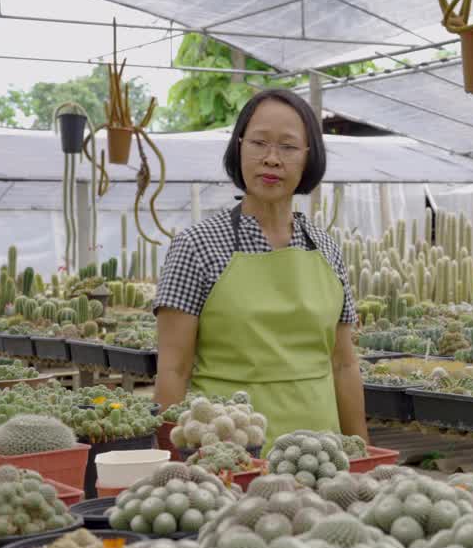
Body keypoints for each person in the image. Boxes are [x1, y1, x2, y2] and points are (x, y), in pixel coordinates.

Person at [152, 89, 368, 451]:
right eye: (259, 143)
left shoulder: (326, 248)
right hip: (228, 454)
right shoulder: (197, 245)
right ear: (239, 148)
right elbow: (173, 370)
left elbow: (344, 366)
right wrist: (173, 460)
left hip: (322, 455)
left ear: (308, 157)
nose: (271, 159)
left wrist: (362, 451)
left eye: (287, 146)